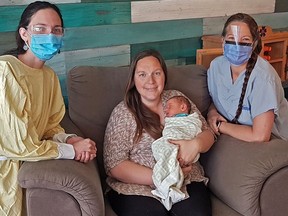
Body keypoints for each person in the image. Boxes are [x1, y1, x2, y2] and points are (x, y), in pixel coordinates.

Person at [0, 1, 97, 215]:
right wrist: (71, 151)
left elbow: (50, 126)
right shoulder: (6, 71)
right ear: (24, 34)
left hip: (28, 167)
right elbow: (19, 144)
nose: (50, 35)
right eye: (40, 29)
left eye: (56, 30)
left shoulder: (49, 76)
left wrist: (71, 139)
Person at [103, 49, 214, 216]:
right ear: (133, 79)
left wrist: (196, 144)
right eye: (142, 74)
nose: (151, 81)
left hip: (185, 181)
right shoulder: (123, 113)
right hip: (138, 187)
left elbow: (208, 134)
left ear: (164, 75)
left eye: (157, 73)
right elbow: (114, 165)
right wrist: (163, 177)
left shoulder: (177, 99)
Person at [207, 13, 288, 142]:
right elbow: (216, 99)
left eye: (245, 40)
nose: (237, 46)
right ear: (222, 42)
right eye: (231, 38)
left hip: (277, 140)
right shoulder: (216, 66)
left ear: (254, 44)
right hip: (238, 135)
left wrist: (221, 126)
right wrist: (212, 113)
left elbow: (260, 136)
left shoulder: (262, 77)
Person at [151, 95, 202, 210]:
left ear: (183, 107)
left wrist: (194, 145)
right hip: (141, 186)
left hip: (187, 150)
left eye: (169, 106)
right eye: (142, 75)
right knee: (159, 146)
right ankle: (169, 183)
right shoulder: (124, 110)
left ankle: (169, 185)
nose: (166, 109)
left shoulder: (189, 120)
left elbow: (205, 132)